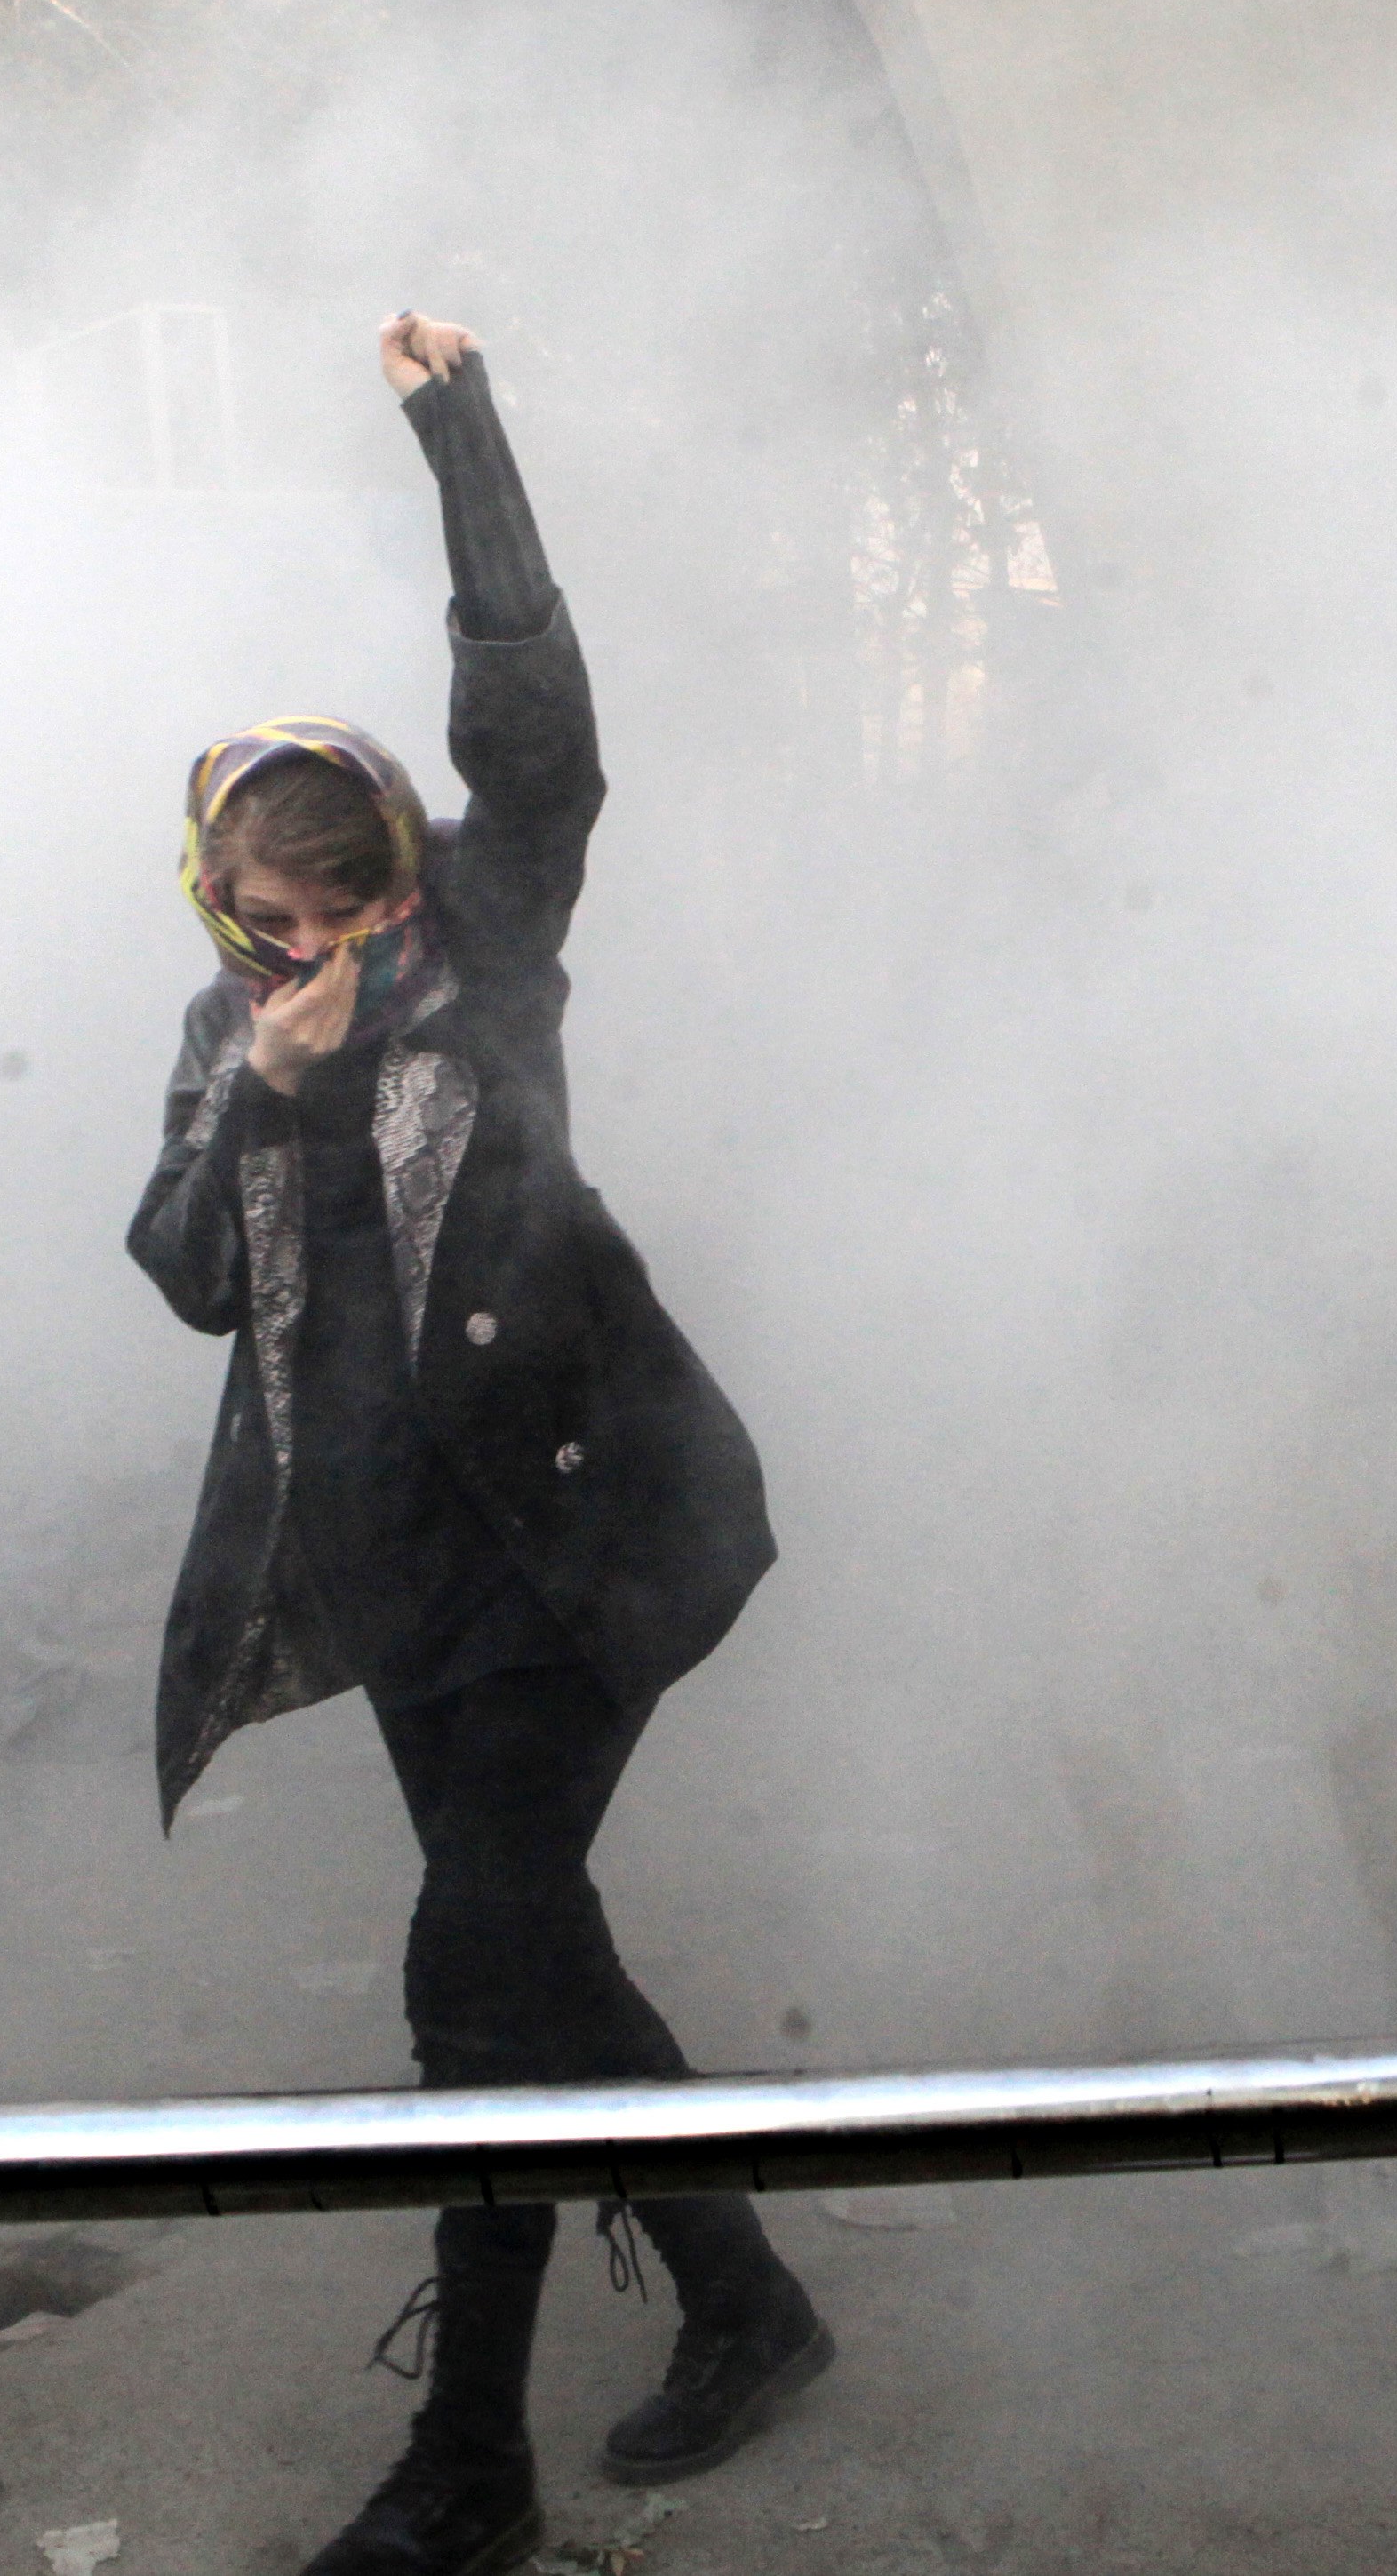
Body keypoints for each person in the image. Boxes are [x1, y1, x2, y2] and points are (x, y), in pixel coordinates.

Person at [129, 312, 831, 2576]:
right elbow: (183, 1270)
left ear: (406, 887)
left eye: (349, 912)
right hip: (398, 1588)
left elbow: (539, 744)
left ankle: (471, 2469)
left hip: (580, 1562)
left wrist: (464, 431)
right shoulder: (223, 1038)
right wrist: (266, 1087)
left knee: (472, 1987)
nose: (311, 952)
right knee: (548, 1965)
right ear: (226, 898)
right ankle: (749, 2305)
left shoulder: (490, 950)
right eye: (273, 919)